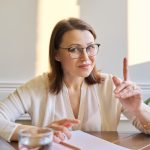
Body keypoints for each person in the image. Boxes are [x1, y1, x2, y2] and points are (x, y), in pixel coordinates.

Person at [0, 18, 150, 143]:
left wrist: (138, 109)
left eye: (90, 47)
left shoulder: (112, 86)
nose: (86, 57)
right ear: (56, 54)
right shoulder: (36, 87)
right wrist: (40, 133)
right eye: (74, 49)